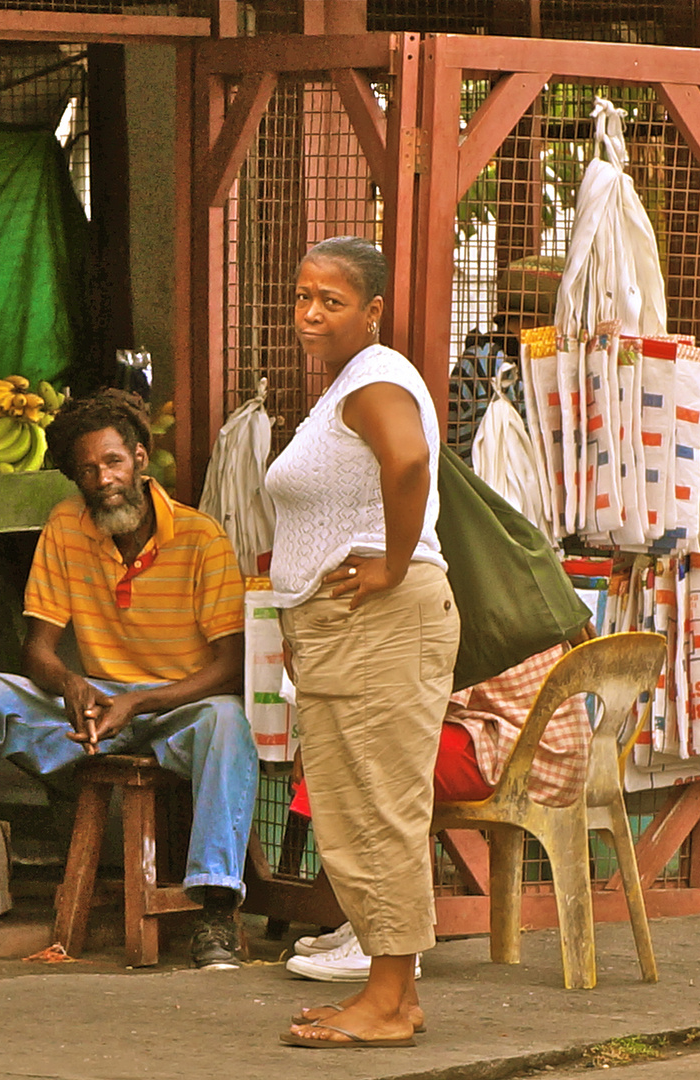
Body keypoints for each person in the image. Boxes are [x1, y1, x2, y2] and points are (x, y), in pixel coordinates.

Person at [0, 389, 259, 970]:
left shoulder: (201, 539)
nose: (103, 479)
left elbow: (228, 667)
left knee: (230, 720)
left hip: (175, 711)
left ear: (140, 459)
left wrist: (138, 703)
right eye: (87, 470)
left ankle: (214, 912)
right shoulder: (66, 526)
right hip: (92, 712)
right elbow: (37, 648)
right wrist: (69, 683)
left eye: (113, 462)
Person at [265, 236, 460, 1048]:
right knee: (366, 806)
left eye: (332, 301)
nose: (311, 314)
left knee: (376, 809)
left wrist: (392, 560)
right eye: (304, 295)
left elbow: (408, 461)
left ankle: (383, 1004)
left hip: (377, 624)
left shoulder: (376, 379)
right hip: (352, 630)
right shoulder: (350, 383)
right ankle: (396, 995)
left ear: (373, 310)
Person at [283, 643, 592, 983]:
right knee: (356, 745)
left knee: (368, 755)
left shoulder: (457, 598)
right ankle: (372, 922)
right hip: (539, 746)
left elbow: (420, 700)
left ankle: (390, 940)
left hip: (525, 753)